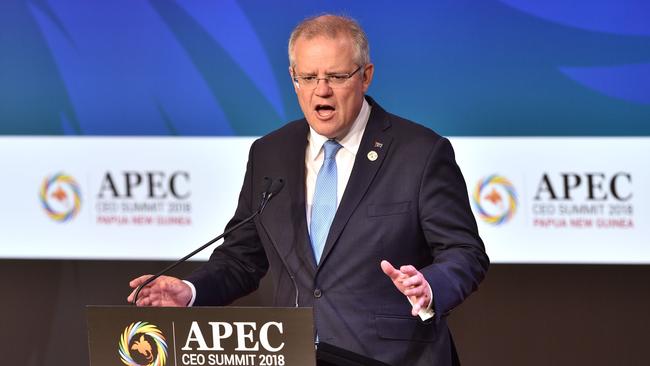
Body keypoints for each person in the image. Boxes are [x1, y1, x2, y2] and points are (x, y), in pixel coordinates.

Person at [128, 14, 488, 365]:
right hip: (294, 354)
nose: (322, 90)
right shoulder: (269, 153)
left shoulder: (420, 153)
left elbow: (464, 252)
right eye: (309, 77)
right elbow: (242, 258)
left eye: (336, 76)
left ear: (366, 76)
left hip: (392, 357)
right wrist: (191, 291)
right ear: (293, 78)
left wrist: (430, 286)